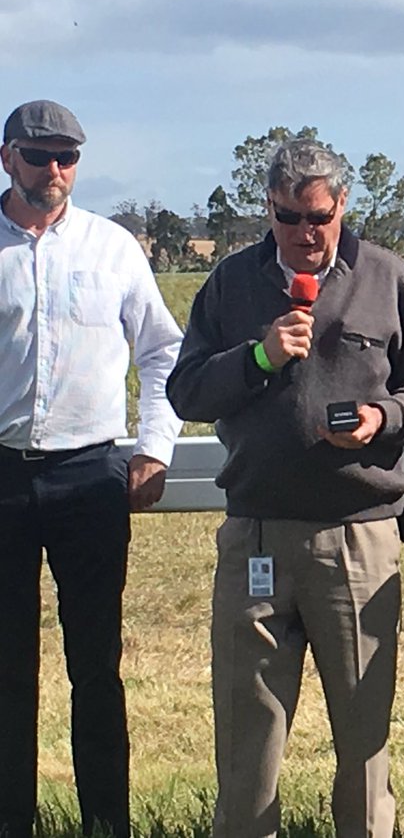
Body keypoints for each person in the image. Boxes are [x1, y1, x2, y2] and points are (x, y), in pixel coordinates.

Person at [166, 138, 404, 838]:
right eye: (287, 216)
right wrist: (259, 356)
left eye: (318, 217)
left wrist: (383, 417)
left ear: (342, 208)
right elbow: (185, 390)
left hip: (357, 538)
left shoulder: (385, 277)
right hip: (256, 538)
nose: (304, 233)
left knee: (364, 745)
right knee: (246, 742)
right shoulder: (233, 284)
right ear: (267, 209)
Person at [0, 99, 183, 838]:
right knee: (8, 672)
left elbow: (163, 352)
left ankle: (106, 821)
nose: (55, 170)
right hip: (2, 479)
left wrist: (154, 447)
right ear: (7, 156)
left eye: (68, 157)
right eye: (41, 155)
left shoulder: (112, 248)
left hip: (90, 476)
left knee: (96, 668)